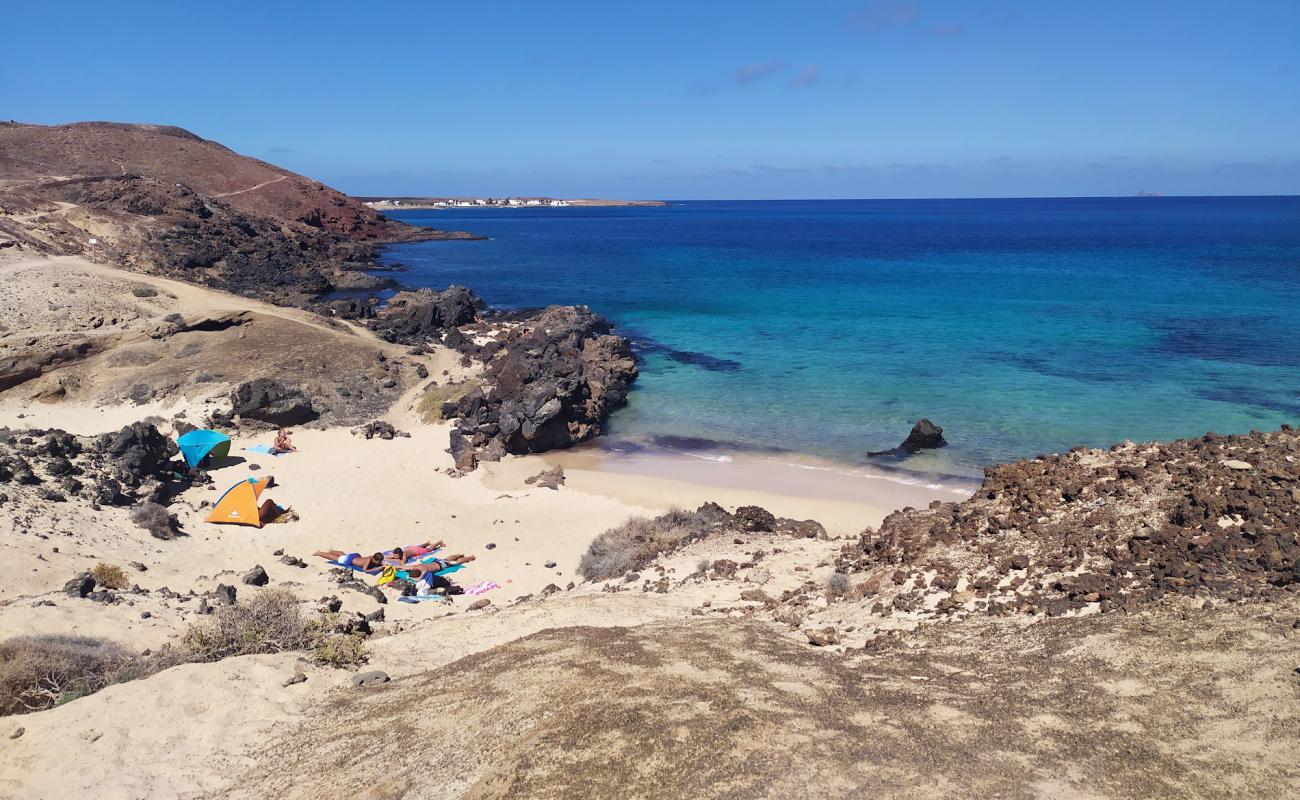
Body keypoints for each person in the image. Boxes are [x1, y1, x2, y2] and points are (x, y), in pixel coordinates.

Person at [313, 550, 386, 572]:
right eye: (379, 561)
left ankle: (332, 550)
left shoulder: (372, 557)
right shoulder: (369, 560)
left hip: (356, 556)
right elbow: (365, 570)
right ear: (374, 559)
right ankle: (319, 553)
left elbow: (379, 561)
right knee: (336, 559)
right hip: (351, 560)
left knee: (343, 555)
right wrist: (377, 568)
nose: (379, 563)